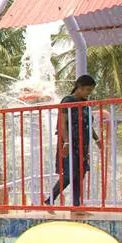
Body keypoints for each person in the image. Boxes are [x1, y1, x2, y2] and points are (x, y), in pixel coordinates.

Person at [44, 74, 102, 211]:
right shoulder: (68, 100)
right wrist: (66, 142)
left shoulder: (85, 104)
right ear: (79, 87)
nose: (89, 93)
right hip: (70, 144)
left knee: (80, 174)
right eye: (88, 90)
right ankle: (49, 200)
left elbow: (87, 125)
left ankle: (76, 205)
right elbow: (62, 123)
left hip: (83, 145)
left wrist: (97, 139)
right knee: (69, 174)